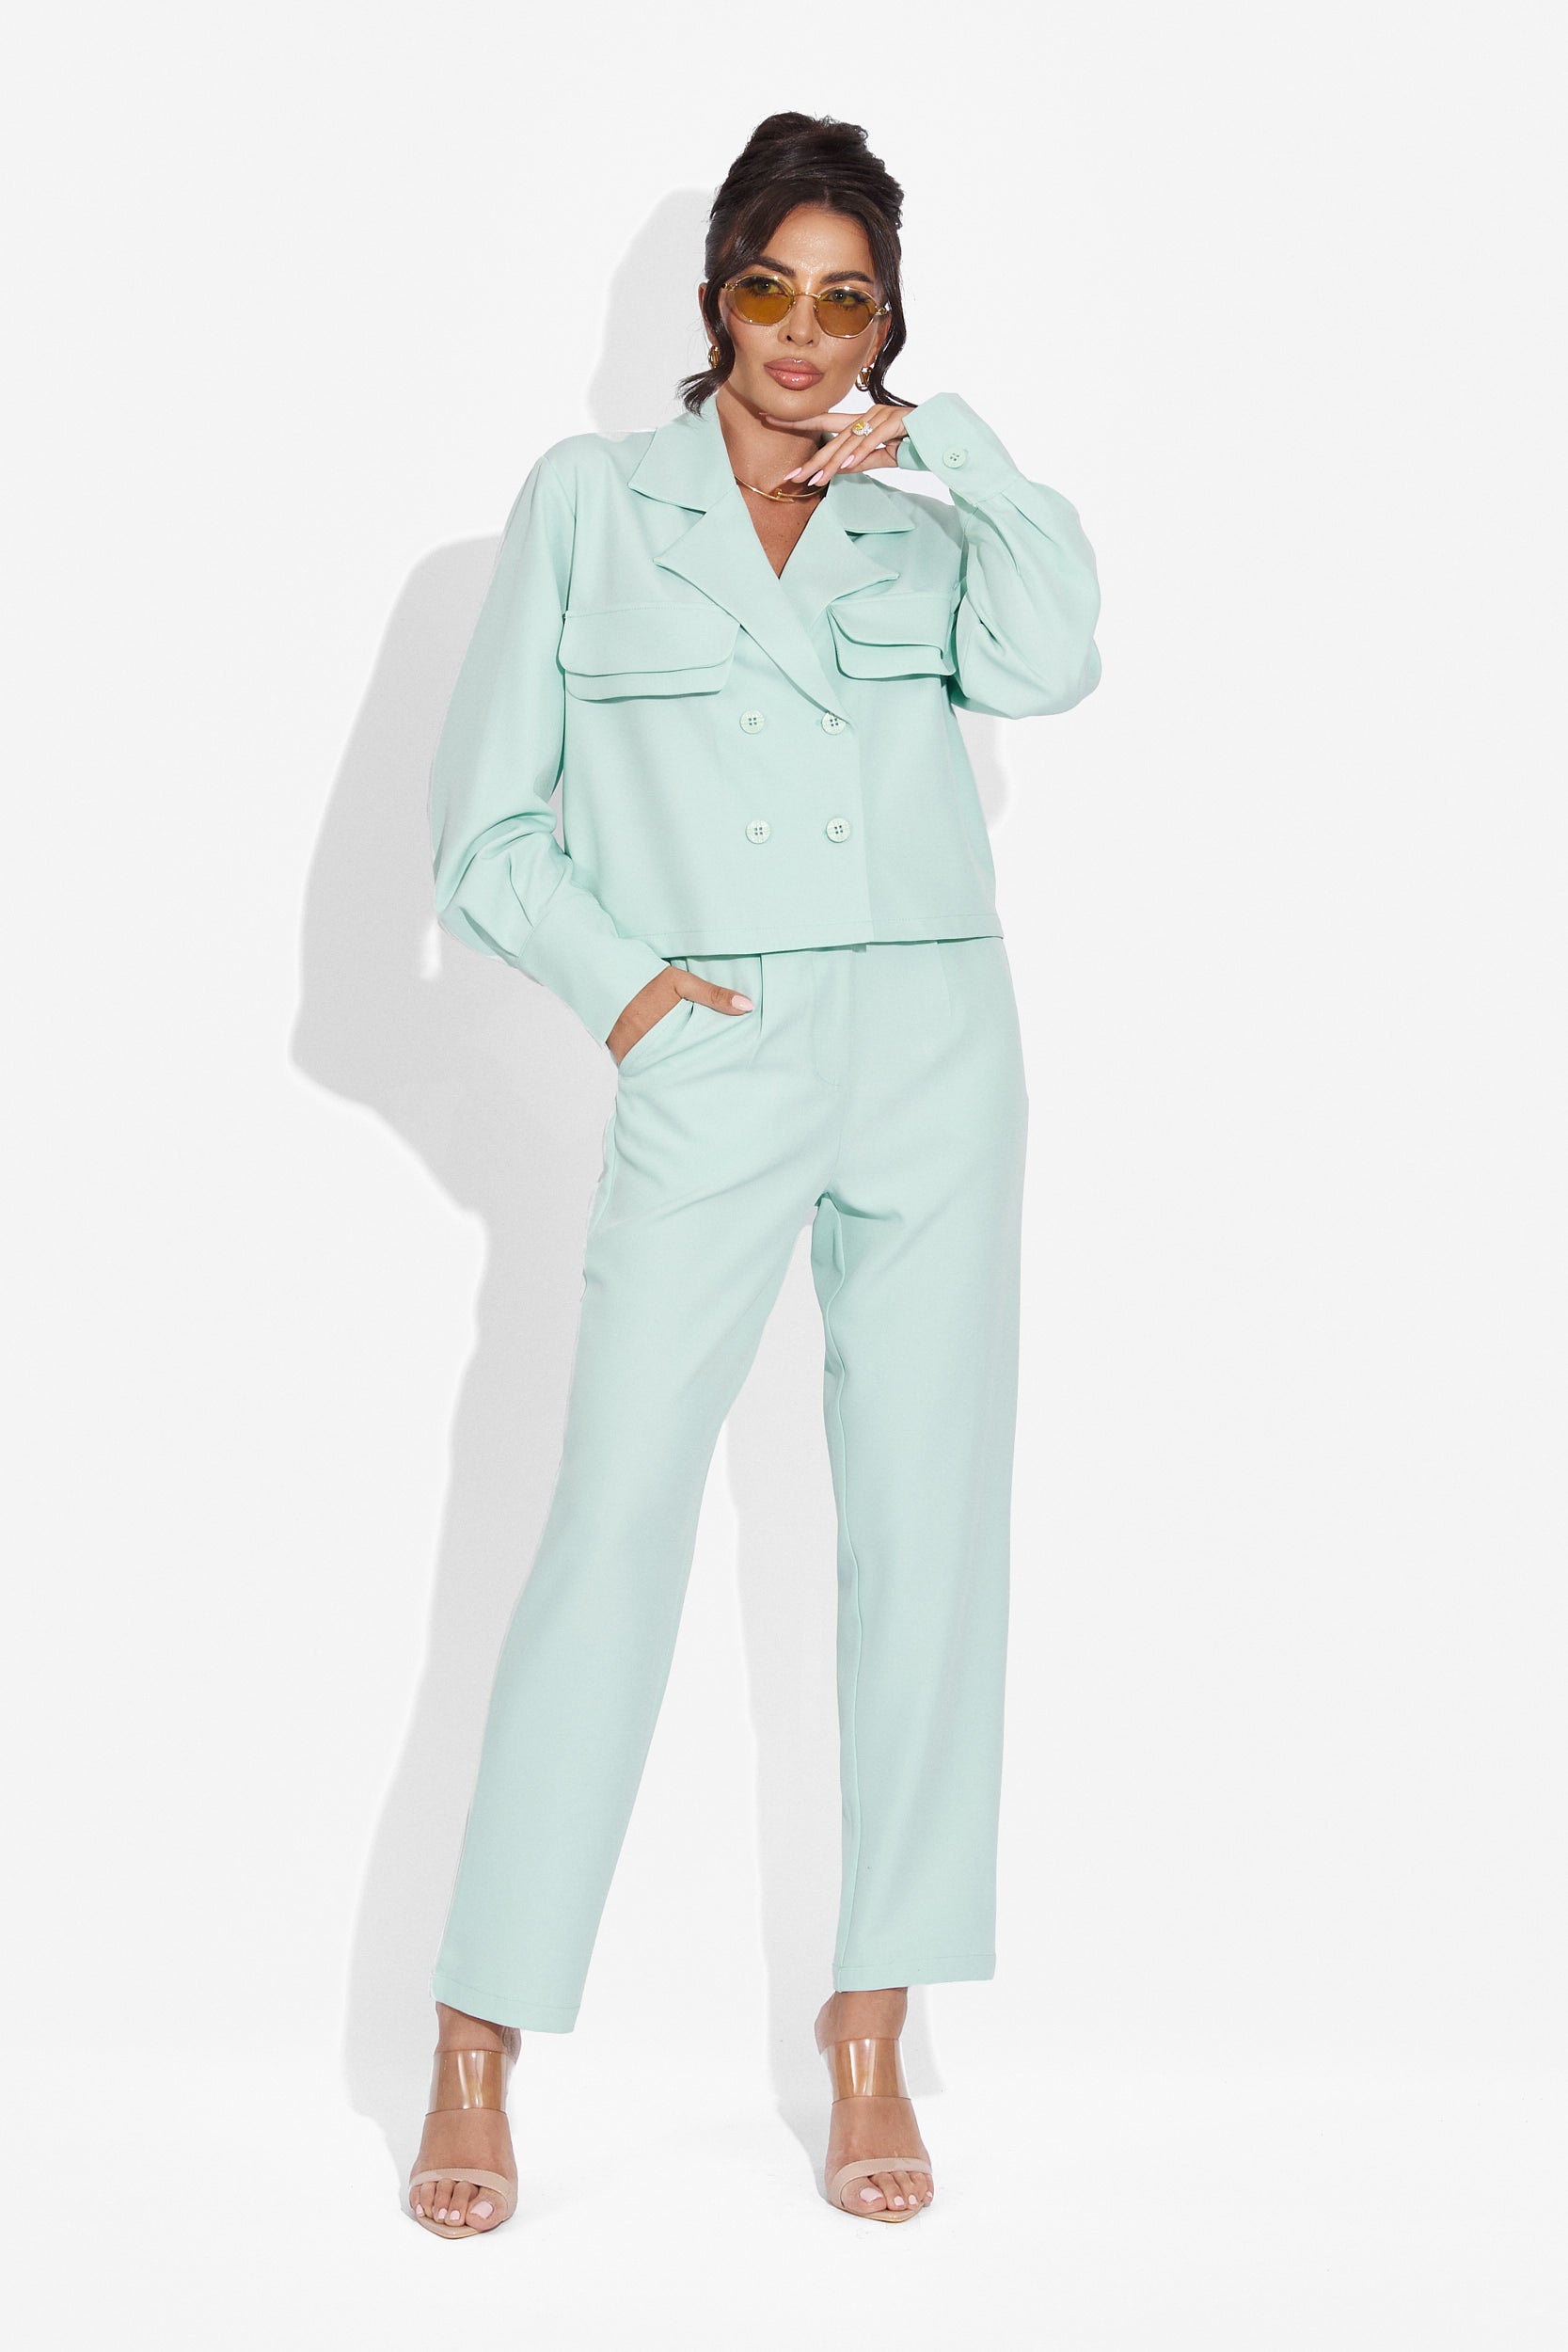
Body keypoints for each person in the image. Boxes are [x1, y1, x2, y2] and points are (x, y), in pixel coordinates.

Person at [406, 108, 1102, 2236]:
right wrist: (633, 999)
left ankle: (872, 2021)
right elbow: (483, 834)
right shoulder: (589, 503)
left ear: (886, 323)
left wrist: (953, 447)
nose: (804, 332)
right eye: (770, 288)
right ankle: (475, 2028)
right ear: (714, 297)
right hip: (712, 1051)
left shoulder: (919, 525)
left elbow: (1058, 658)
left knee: (928, 1532)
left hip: (935, 1044)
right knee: (613, 1514)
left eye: (848, 300)